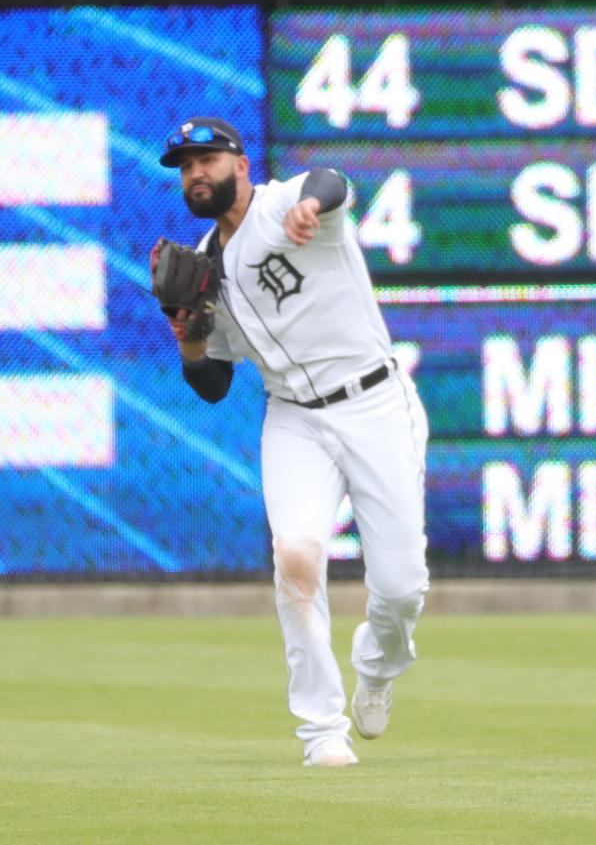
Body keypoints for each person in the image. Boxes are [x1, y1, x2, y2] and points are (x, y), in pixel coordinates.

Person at [151, 117, 430, 768]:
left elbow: (332, 182)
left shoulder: (285, 203)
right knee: (297, 558)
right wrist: (188, 335)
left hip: (374, 402)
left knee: (400, 586)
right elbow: (214, 383)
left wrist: (311, 206)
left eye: (207, 160)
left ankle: (379, 667)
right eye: (185, 166)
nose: (196, 173)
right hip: (294, 419)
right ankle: (321, 731)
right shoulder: (201, 267)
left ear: (241, 165)